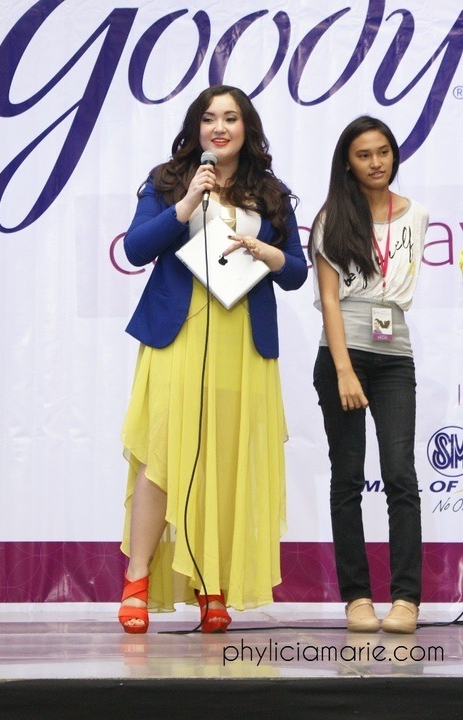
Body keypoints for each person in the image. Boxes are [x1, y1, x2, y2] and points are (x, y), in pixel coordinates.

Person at [118, 85, 308, 633]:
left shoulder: (270, 192)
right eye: (209, 118)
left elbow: (296, 272)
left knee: (223, 461)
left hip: (240, 341)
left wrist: (269, 254)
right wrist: (184, 205)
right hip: (177, 336)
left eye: (230, 118)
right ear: (196, 128)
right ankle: (137, 578)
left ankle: (212, 583)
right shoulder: (168, 181)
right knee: (161, 456)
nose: (219, 127)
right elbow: (135, 249)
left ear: (247, 128)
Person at [309, 116, 429, 634]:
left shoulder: (417, 215)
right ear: (348, 163)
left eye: (383, 152)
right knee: (348, 478)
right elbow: (329, 299)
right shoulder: (332, 218)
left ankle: (406, 599)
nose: (376, 162)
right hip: (344, 356)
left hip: (395, 355)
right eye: (364, 154)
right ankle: (357, 597)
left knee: (401, 474)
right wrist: (343, 370)